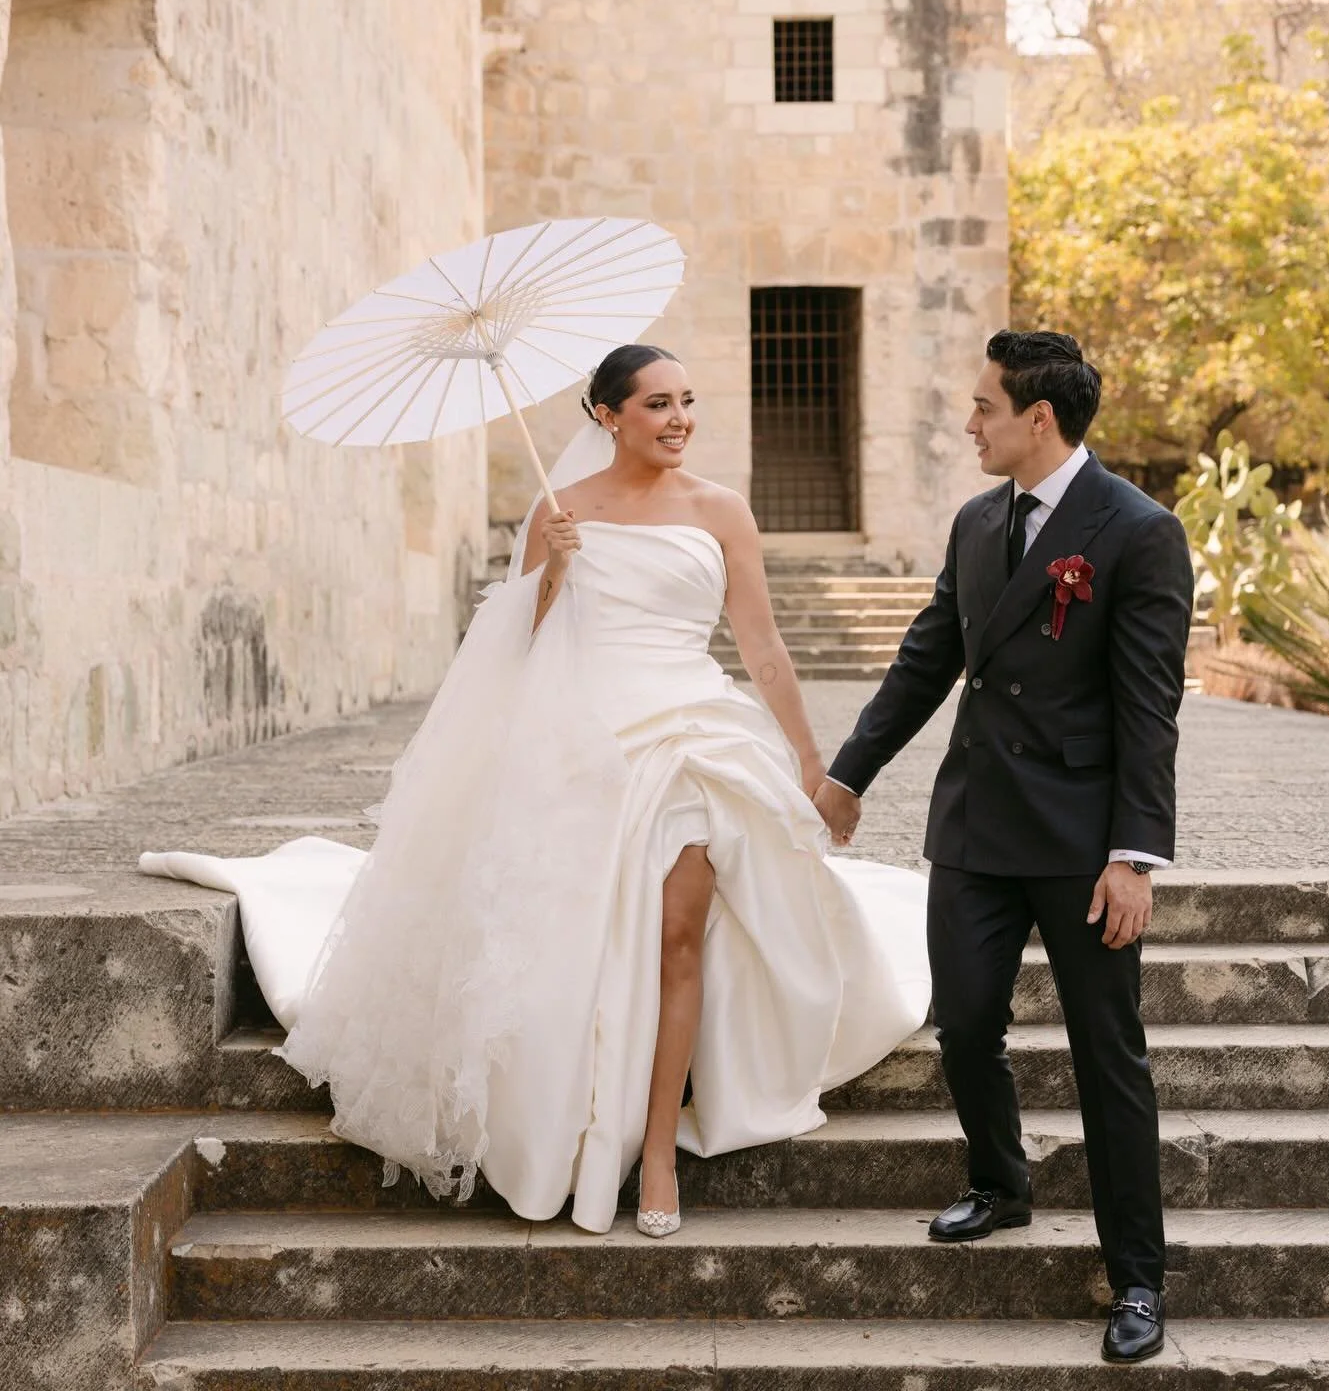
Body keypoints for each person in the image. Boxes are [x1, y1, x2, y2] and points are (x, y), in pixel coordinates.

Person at [140, 344, 930, 1237]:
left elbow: (763, 649)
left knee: (680, 932)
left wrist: (812, 767)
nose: (678, 420)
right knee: (579, 934)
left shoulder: (721, 510)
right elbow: (513, 651)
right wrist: (549, 570)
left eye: (687, 402)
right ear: (608, 416)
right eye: (657, 404)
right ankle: (576, 1109)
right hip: (583, 736)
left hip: (693, 737)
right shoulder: (560, 512)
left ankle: (660, 1148)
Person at [814, 330, 1193, 1365]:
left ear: (1039, 419)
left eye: (983, 406)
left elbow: (1149, 709)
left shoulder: (1137, 530)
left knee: (1107, 1057)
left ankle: (1139, 1281)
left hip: (1082, 843)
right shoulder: (979, 522)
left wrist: (1136, 855)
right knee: (966, 1023)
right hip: (976, 825)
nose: (967, 422)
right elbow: (926, 657)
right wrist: (850, 771)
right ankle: (1002, 1181)